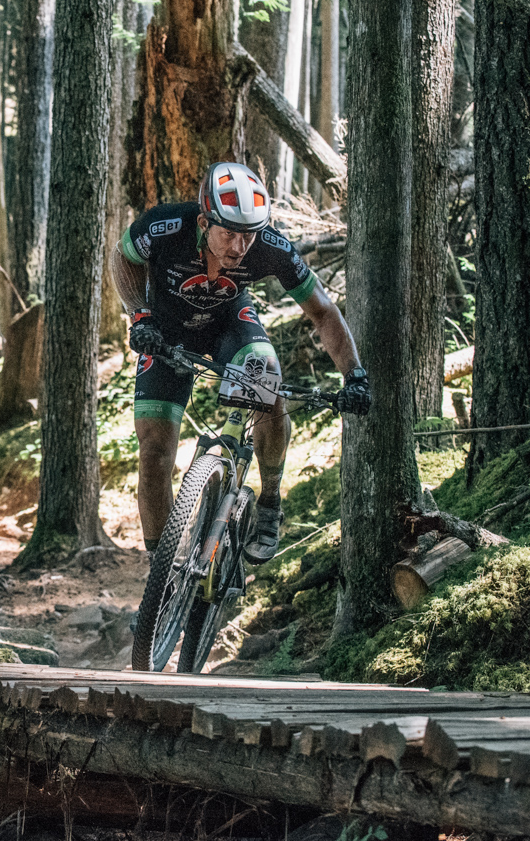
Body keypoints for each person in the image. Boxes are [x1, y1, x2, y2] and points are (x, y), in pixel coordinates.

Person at [112, 161, 370, 566]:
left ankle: (269, 503)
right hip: (165, 330)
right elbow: (121, 258)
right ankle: (159, 573)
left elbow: (323, 312)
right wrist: (139, 315)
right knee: (154, 452)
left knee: (269, 384)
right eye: (229, 234)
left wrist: (354, 375)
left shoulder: (270, 246)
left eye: (248, 235)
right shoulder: (166, 226)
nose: (238, 246)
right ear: (204, 222)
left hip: (229, 324)